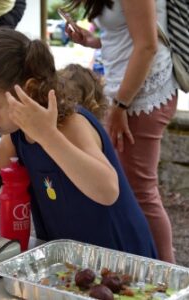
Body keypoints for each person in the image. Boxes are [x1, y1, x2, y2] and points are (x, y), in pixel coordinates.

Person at [0, 29, 158, 259]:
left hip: (117, 253)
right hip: (70, 259)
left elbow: (108, 190)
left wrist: (48, 136)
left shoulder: (71, 124)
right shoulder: (16, 136)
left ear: (28, 90)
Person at [65, 0, 178, 263]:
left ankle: (169, 277)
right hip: (127, 93)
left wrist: (120, 105)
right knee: (131, 187)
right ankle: (143, 262)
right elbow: (129, 34)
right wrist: (92, 41)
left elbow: (148, 46)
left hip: (142, 95)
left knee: (140, 190)